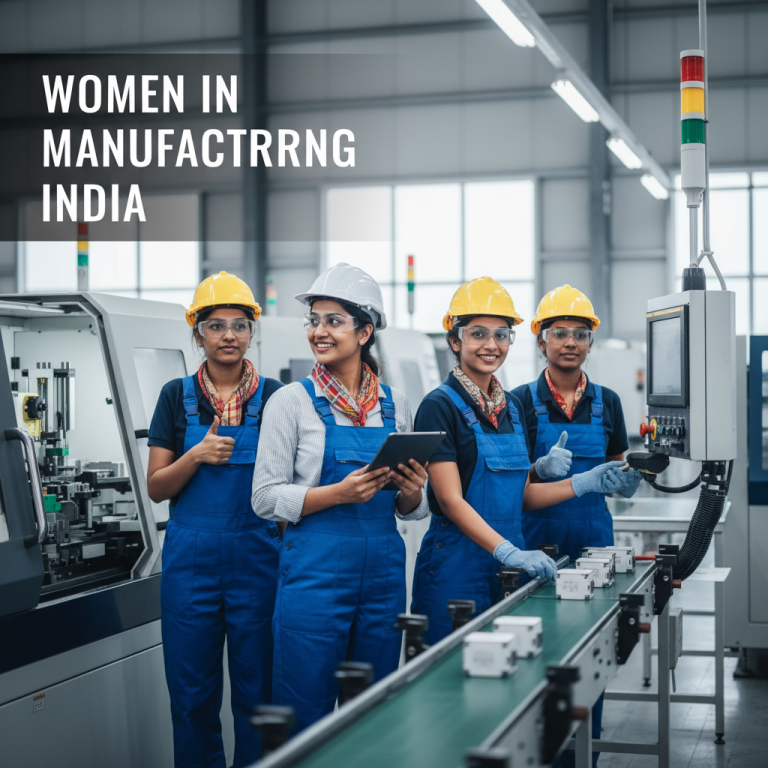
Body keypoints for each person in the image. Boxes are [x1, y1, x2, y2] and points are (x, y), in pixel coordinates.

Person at [252, 263, 429, 733]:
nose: (319, 331)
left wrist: (413, 490)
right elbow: (264, 498)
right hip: (314, 576)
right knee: (304, 715)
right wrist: (337, 494)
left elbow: (412, 510)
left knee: (373, 715)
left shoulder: (395, 404)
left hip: (384, 576)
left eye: (333, 321)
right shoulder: (291, 402)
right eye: (314, 320)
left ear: (365, 332)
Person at [411, 277, 636, 645]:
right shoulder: (439, 406)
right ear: (455, 340)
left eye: (501, 335)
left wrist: (584, 482)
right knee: (451, 671)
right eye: (478, 333)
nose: (491, 345)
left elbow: (523, 495)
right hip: (459, 565)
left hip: (511, 566)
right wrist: (509, 551)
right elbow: (450, 501)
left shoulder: (512, 408)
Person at [147, 272, 283, 768]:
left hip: (258, 562)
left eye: (240, 325)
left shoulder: (276, 397)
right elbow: (156, 486)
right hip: (191, 568)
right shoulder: (175, 396)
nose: (229, 335)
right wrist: (196, 455)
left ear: (251, 332)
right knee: (191, 698)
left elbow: (289, 487)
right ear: (198, 333)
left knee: (259, 695)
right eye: (216, 325)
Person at [512, 284, 641, 768]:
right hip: (536, 539)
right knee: (535, 650)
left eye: (580, 334)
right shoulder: (520, 402)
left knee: (592, 651)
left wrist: (629, 482)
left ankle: (582, 756)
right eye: (559, 332)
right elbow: (510, 483)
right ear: (541, 340)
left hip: (593, 539)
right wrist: (537, 468)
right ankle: (531, 752)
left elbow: (618, 467)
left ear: (590, 342)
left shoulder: (609, 402)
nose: (570, 342)